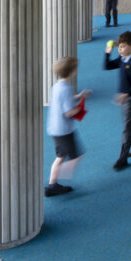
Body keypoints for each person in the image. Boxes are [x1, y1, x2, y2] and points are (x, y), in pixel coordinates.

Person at [45, 57, 91, 197]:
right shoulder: (67, 88)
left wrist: (78, 96)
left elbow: (63, 101)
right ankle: (63, 176)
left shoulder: (57, 86)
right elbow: (68, 112)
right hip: (64, 130)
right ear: (72, 72)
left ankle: (52, 185)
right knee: (77, 156)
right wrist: (79, 109)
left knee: (60, 156)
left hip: (54, 128)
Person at [104, 30, 131, 171]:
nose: (120, 50)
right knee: (129, 123)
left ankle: (123, 158)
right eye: (119, 47)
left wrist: (126, 94)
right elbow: (107, 66)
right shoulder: (122, 59)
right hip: (125, 97)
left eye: (122, 47)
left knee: (127, 127)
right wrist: (107, 53)